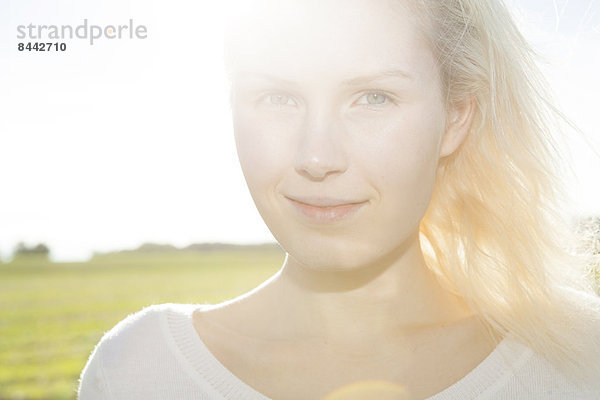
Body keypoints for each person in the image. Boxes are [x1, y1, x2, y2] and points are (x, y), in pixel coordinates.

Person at [78, 0, 600, 398]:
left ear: (456, 117)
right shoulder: (138, 370)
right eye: (277, 97)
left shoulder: (578, 355)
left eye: (374, 97)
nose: (318, 156)